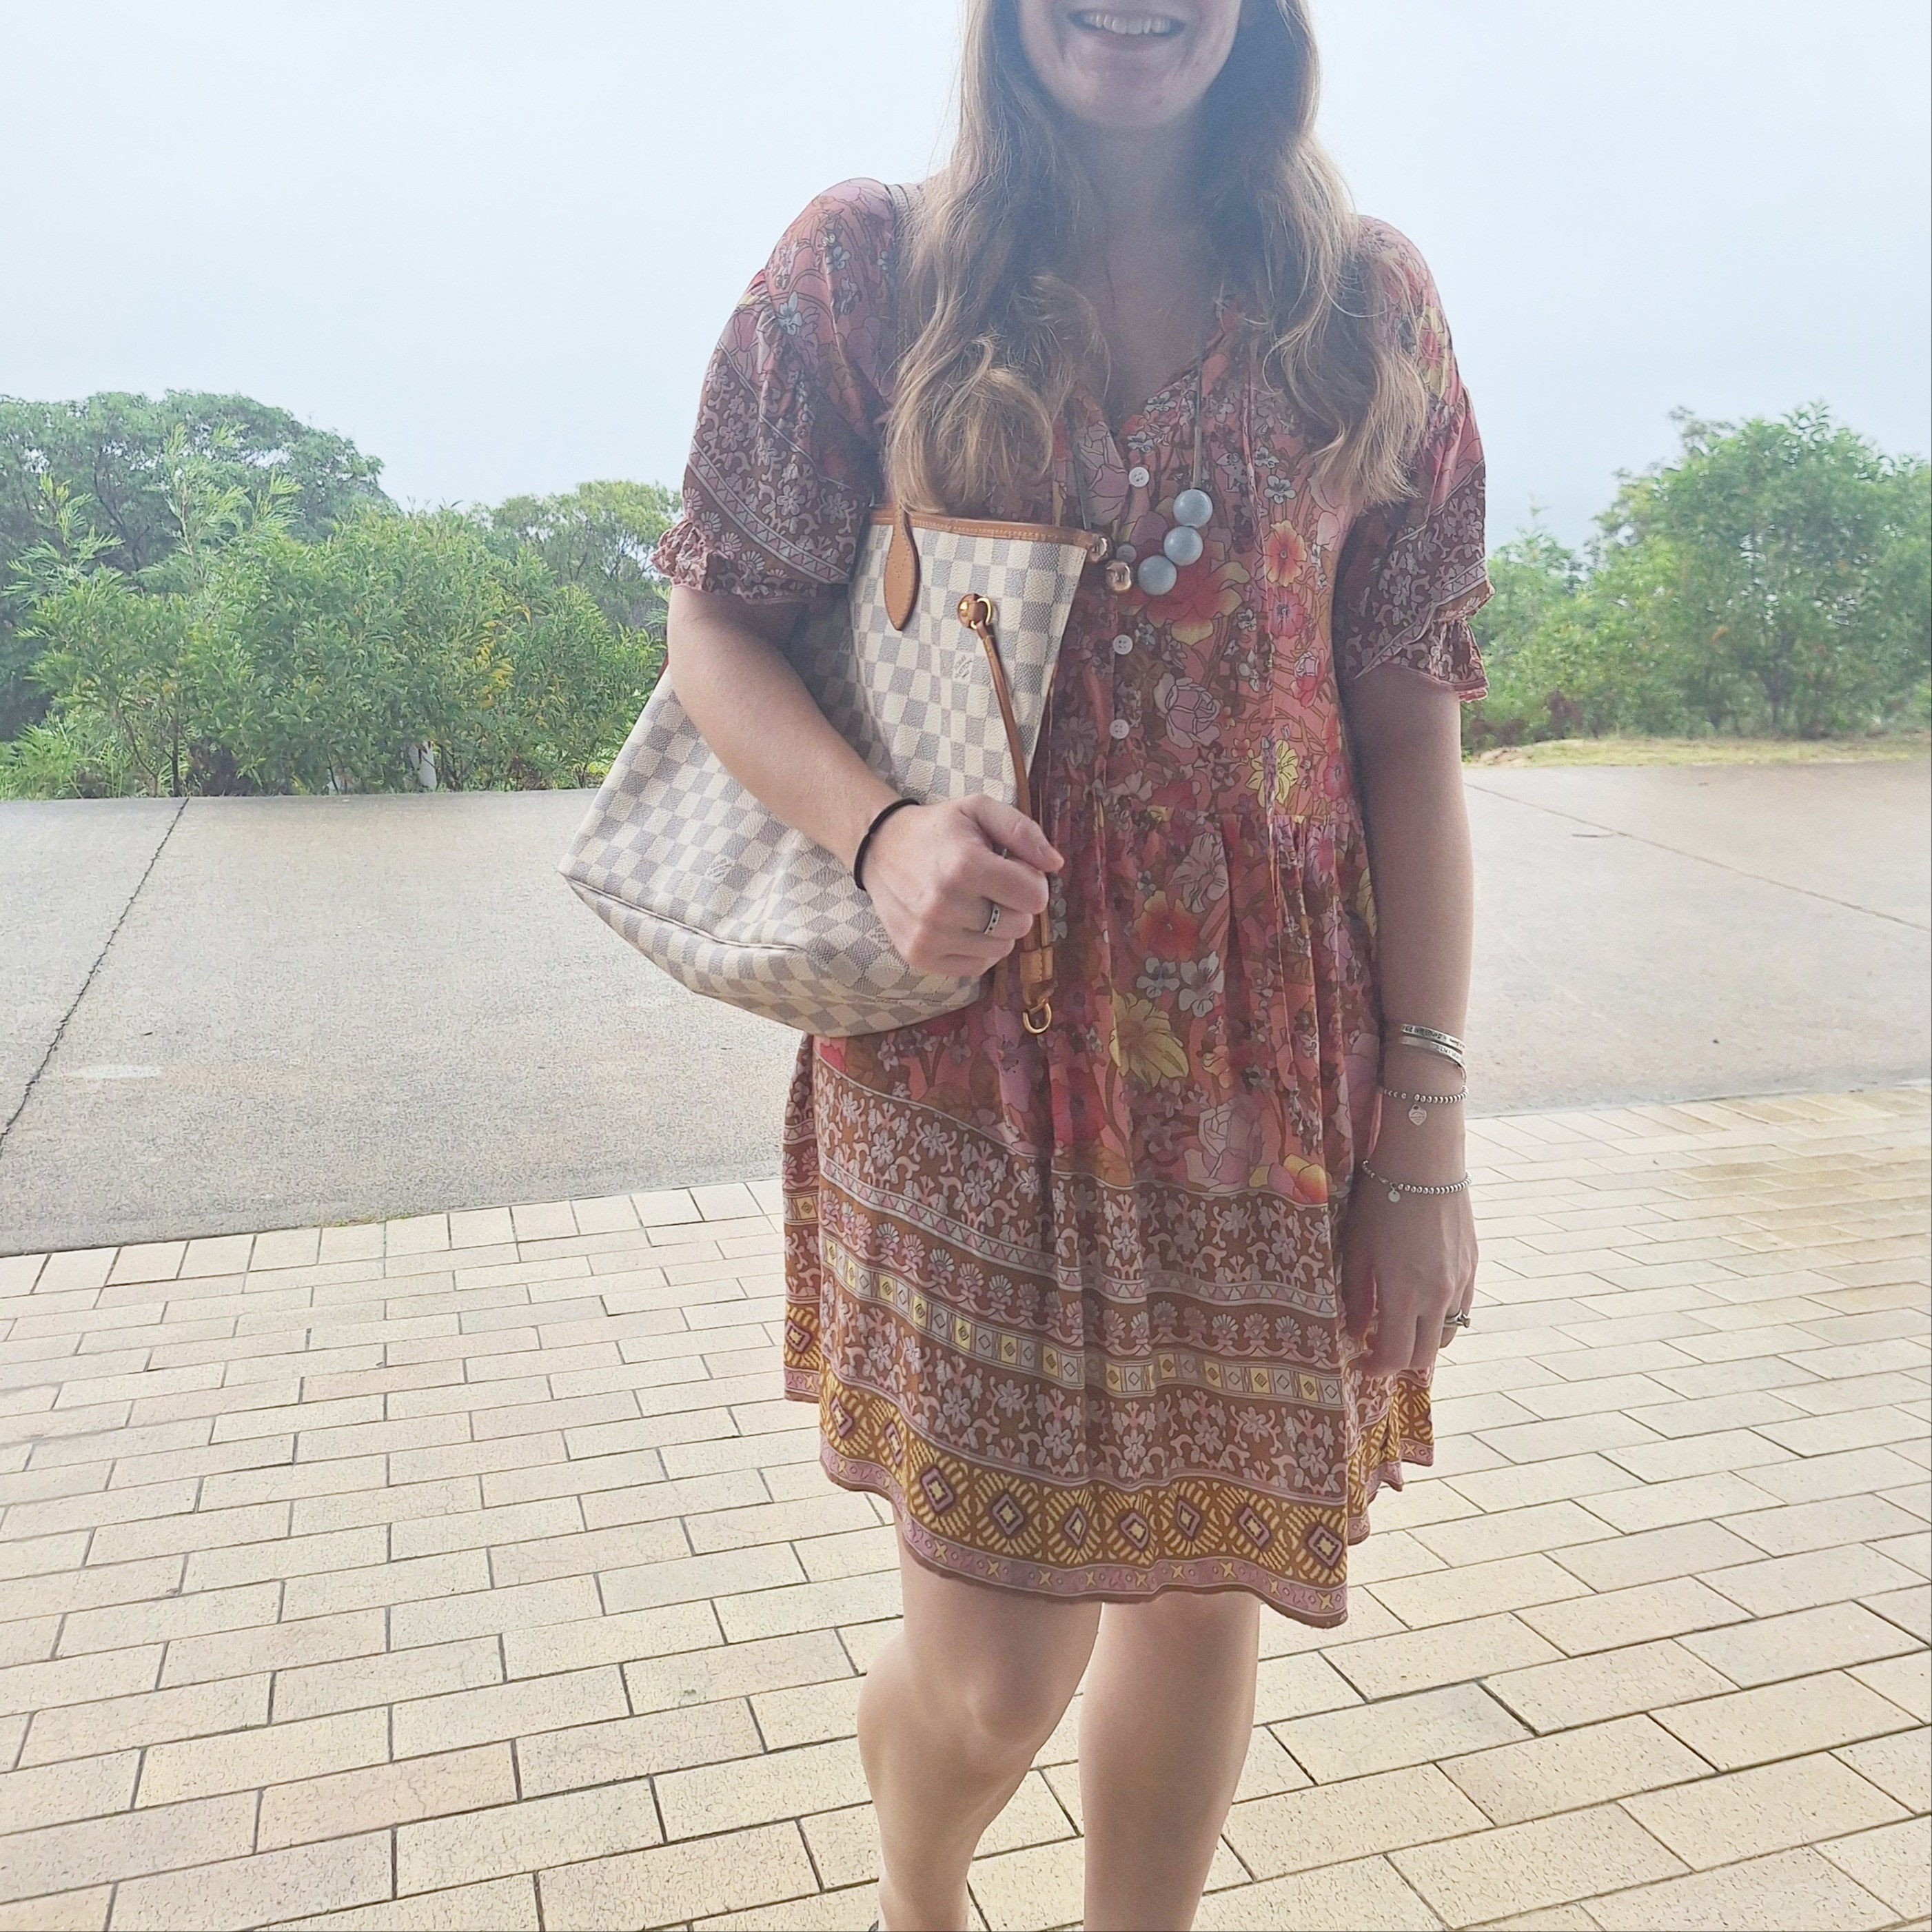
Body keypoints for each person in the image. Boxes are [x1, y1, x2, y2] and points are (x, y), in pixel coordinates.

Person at [653, 3, 1485, 1925]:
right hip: (969, 1065)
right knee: (993, 1675)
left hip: (1271, 1076)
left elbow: (1408, 737)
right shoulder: (867, 272)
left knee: (1199, 1589)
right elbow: (718, 624)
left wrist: (1425, 1136)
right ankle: (918, 1891)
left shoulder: (1364, 308)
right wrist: (879, 831)